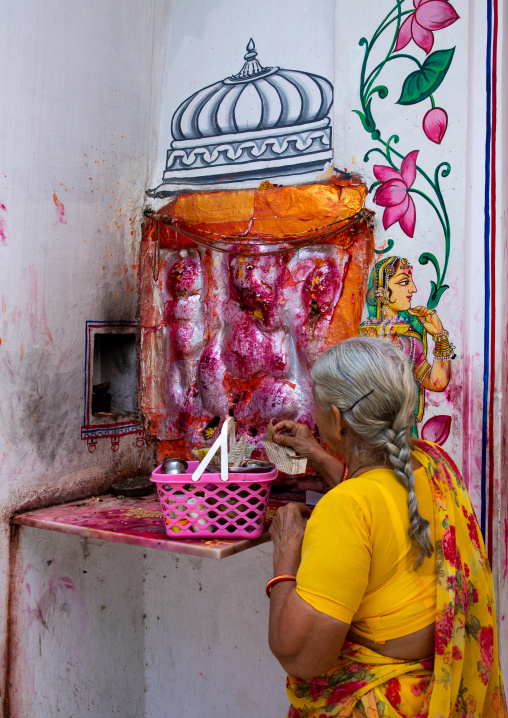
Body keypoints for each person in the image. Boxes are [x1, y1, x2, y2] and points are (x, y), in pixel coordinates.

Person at [267, 337, 505, 718]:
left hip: (379, 701)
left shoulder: (345, 508)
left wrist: (284, 561)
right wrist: (319, 453)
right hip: (438, 691)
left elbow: (301, 656)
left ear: (338, 419)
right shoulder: (434, 464)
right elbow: (376, 493)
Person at [359, 256, 453, 434]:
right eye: (404, 282)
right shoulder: (363, 337)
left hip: (405, 434)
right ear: (382, 291)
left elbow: (436, 382)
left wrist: (439, 336)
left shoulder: (410, 342)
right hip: (369, 432)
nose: (413, 289)